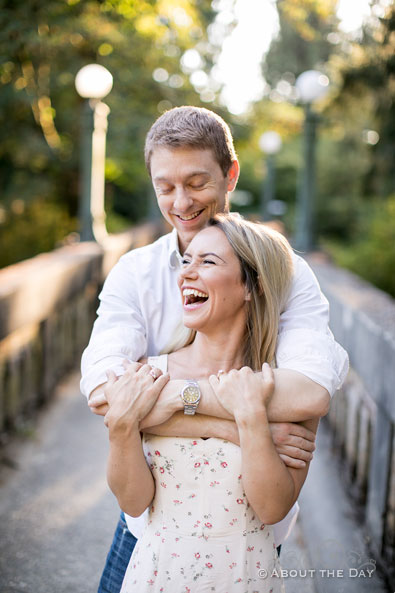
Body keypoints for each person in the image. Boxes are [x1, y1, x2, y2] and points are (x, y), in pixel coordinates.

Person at [80, 106, 348, 593]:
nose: (181, 202)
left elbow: (308, 393)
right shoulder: (135, 274)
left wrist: (154, 404)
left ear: (231, 175)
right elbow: (104, 392)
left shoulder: (286, 272)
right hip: (150, 533)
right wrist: (239, 425)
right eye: (165, 186)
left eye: (196, 182)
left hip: (249, 539)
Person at [105, 213, 319, 592]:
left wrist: (252, 417)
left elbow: (272, 508)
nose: (187, 273)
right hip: (157, 574)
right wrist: (122, 428)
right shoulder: (149, 374)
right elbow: (134, 502)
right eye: (187, 260)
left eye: (208, 262)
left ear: (251, 286)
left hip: (245, 576)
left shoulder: (284, 394)